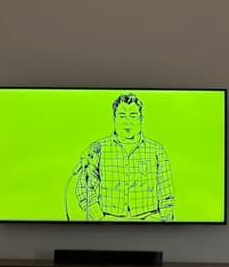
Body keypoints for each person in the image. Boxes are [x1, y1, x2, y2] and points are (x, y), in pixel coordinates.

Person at [71, 93, 175, 221]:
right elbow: (83, 188)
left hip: (149, 219)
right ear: (114, 118)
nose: (127, 122)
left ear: (141, 119)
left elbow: (166, 191)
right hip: (109, 220)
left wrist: (164, 221)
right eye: (122, 116)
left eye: (133, 115)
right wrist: (99, 218)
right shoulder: (99, 148)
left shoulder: (157, 150)